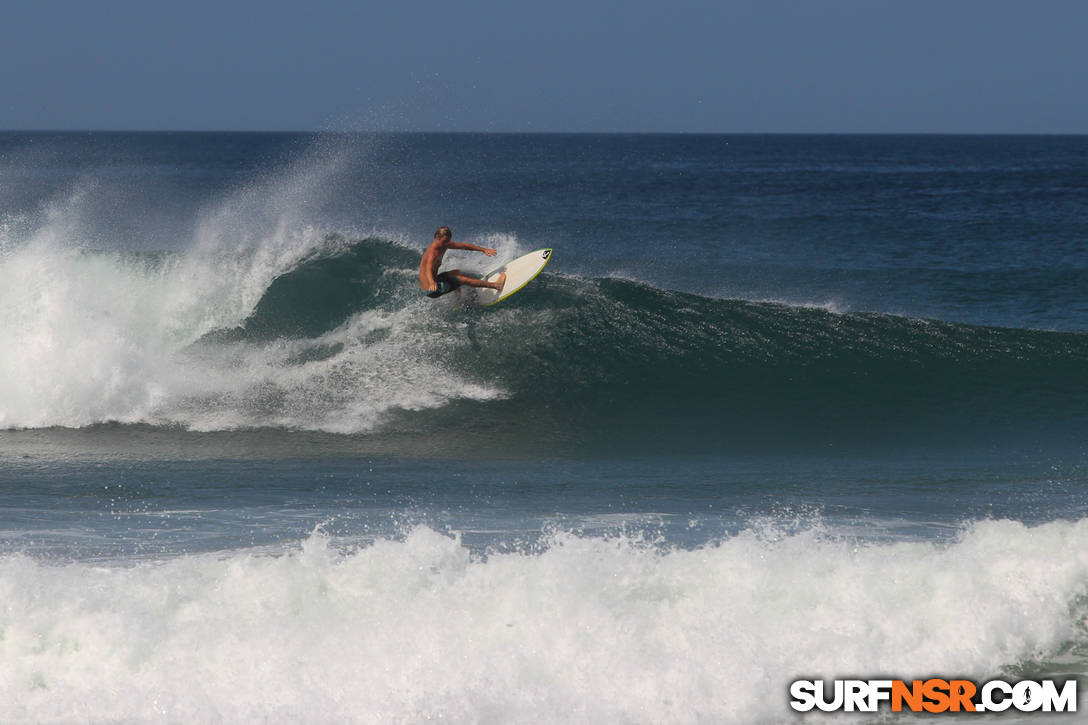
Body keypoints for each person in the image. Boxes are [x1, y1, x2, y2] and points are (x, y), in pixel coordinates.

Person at [419, 226, 506, 298]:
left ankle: (458, 297)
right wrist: (431, 283)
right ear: (437, 237)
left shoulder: (443, 244)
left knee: (456, 272)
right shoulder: (433, 252)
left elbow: (464, 246)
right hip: (432, 289)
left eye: (448, 241)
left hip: (436, 279)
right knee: (462, 279)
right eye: (444, 241)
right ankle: (496, 286)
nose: (447, 244)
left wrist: (484, 250)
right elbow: (428, 269)